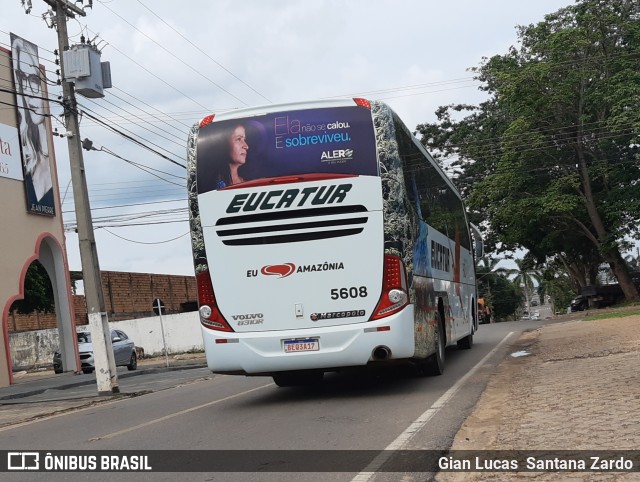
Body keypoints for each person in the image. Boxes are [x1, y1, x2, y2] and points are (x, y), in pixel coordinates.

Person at [12, 36, 54, 208]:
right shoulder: (27, 157)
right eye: (21, 78)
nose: (28, 91)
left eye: (35, 80)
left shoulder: (44, 157)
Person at [214, 123, 250, 188]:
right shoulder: (212, 185)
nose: (246, 146)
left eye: (244, 140)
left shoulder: (247, 182)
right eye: (239, 139)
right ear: (224, 144)